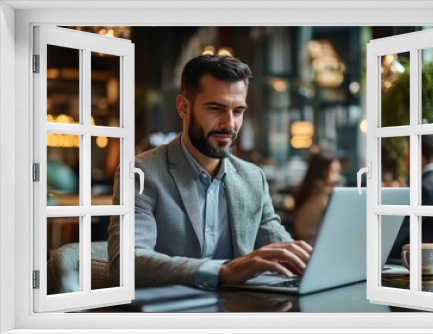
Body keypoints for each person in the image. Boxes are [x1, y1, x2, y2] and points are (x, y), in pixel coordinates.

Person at [107, 55, 312, 289]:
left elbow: (282, 247)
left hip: (239, 314)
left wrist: (316, 263)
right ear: (184, 108)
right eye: (216, 108)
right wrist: (222, 272)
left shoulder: (253, 178)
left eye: (238, 111)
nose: (229, 124)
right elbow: (124, 264)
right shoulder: (141, 174)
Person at [388, 135, 433, 262]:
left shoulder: (424, 188)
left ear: (420, 157)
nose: (405, 163)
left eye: (407, 157)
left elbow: (397, 237)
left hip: (426, 264)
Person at [292, 149, 341, 245]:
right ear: (322, 172)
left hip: (308, 244)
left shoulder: (307, 191)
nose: (337, 177)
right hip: (316, 246)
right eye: (333, 172)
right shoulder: (321, 195)